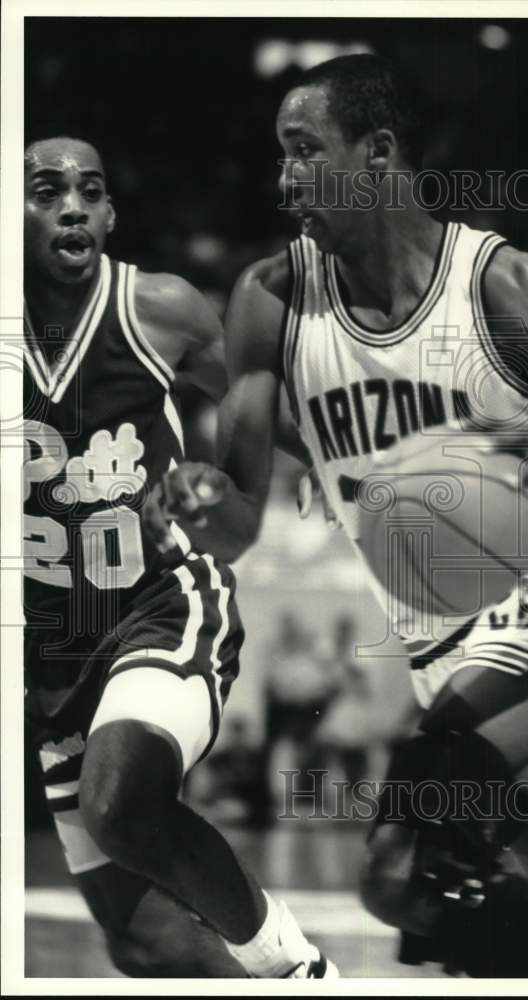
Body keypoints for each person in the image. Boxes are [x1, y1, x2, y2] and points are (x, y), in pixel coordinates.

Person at [143, 55, 528, 977]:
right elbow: (240, 524)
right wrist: (197, 500)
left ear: (380, 152)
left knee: (402, 865)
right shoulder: (270, 301)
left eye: (305, 150)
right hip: (447, 667)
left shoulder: (505, 287)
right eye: (280, 155)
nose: (285, 178)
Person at [22, 136, 337, 978]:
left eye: (90, 191)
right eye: (47, 192)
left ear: (111, 215)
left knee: (120, 800)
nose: (73, 207)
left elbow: (256, 397)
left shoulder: (156, 307)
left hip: (159, 603)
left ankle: (300, 971)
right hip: (50, 650)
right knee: (143, 942)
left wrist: (327, 459)